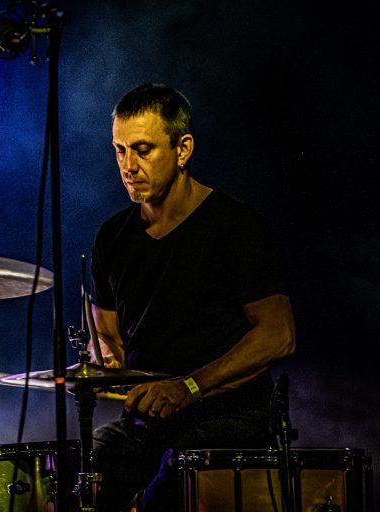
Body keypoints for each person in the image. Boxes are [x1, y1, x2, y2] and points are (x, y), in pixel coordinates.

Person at [88, 82, 296, 511]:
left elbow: (279, 335)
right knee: (82, 472)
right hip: (149, 421)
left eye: (143, 150)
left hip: (230, 416)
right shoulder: (113, 236)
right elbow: (104, 332)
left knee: (174, 480)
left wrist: (189, 386)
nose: (128, 165)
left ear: (183, 149)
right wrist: (103, 355)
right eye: (120, 150)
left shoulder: (235, 226)